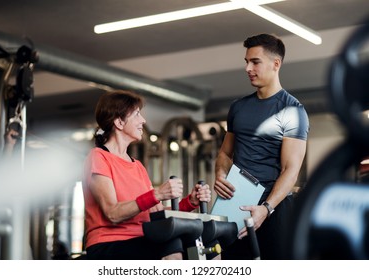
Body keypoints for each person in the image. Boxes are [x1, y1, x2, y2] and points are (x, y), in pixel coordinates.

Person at [83, 89, 212, 260]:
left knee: (206, 245)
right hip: (109, 244)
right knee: (170, 243)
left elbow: (155, 214)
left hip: (143, 238)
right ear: (119, 122)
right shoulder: (98, 157)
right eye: (136, 114)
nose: (143, 120)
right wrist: (157, 193)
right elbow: (112, 213)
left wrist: (190, 202)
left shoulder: (137, 166)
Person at [214, 33, 309, 260]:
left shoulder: (293, 111)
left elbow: (291, 170)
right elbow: (225, 153)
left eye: (255, 62)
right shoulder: (238, 107)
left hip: (273, 208)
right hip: (236, 203)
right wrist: (220, 174)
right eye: (246, 62)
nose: (248, 68)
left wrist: (266, 209)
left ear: (276, 64)